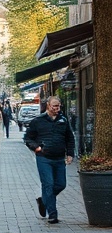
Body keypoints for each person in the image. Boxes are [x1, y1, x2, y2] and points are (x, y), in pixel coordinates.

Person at [24, 96, 75, 225]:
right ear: (48, 105)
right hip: (44, 158)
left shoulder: (63, 120)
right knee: (48, 184)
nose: (57, 109)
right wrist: (36, 147)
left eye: (58, 106)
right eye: (54, 106)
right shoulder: (38, 121)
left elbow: (70, 138)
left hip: (59, 158)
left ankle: (43, 200)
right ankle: (52, 214)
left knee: (61, 184)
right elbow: (28, 138)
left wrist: (70, 154)